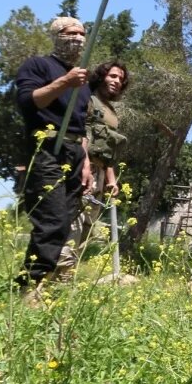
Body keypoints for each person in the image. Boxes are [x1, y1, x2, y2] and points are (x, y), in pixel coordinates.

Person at [13, 16, 92, 292]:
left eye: (82, 34)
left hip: (74, 152)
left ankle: (48, 283)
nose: (78, 38)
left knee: (65, 222)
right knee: (52, 220)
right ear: (57, 35)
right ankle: (30, 286)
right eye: (72, 33)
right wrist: (65, 82)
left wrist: (85, 162)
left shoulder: (83, 80)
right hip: (47, 148)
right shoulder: (38, 65)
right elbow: (28, 102)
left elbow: (81, 124)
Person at [56, 60, 130, 278]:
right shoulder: (88, 99)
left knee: (88, 226)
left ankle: (67, 274)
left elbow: (107, 151)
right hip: (82, 169)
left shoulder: (111, 112)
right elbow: (81, 135)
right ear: (102, 76)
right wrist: (85, 167)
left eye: (121, 79)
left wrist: (111, 179)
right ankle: (58, 275)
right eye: (113, 76)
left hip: (99, 172)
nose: (117, 81)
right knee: (75, 222)